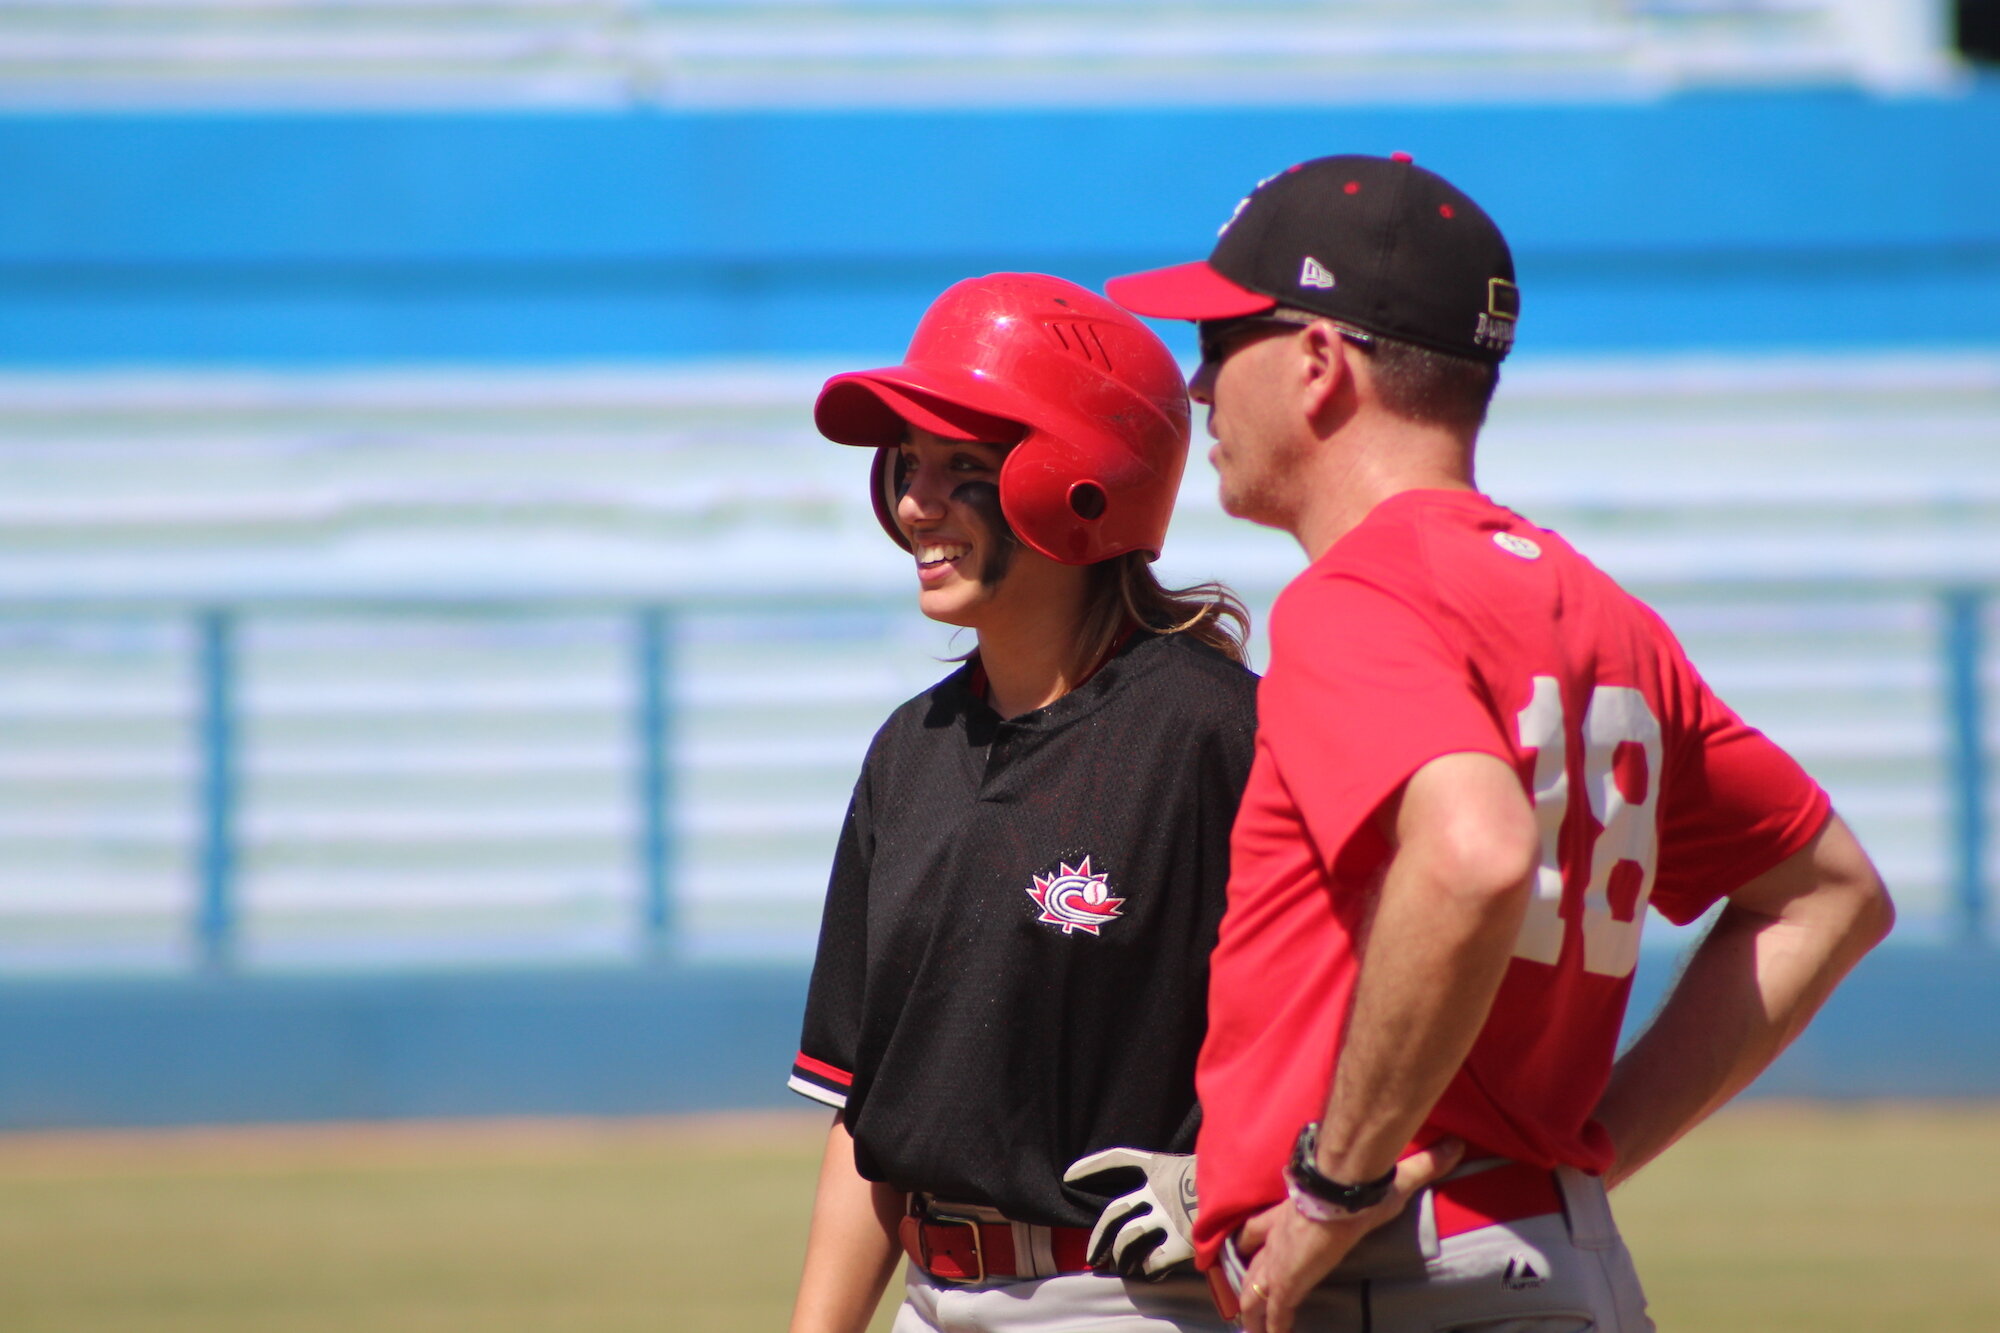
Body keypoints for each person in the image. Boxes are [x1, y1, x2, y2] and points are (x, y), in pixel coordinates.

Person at [1105, 154, 1895, 1333]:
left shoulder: (1358, 597)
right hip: (1547, 1259)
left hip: (1395, 1282)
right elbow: (1831, 895)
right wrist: (1580, 1161)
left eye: (1222, 342)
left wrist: (1331, 1184)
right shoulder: (1599, 613)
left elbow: (1472, 853)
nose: (1199, 381)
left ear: (1318, 365)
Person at [787, 272, 1260, 1333]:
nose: (916, 503)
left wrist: (1248, 1171)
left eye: (963, 470)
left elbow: (1356, 1014)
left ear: (1081, 481)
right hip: (929, 1298)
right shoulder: (910, 751)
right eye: (907, 466)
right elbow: (869, 1115)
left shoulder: (1212, 735)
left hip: (1126, 1299)